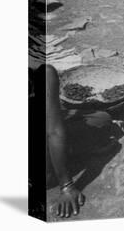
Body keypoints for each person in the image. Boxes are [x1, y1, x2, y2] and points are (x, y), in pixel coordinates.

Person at [29, 65, 119, 218]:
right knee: (102, 119)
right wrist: (67, 186)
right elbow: (54, 132)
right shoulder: (45, 72)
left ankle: (80, 148)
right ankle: (85, 150)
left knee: (95, 117)